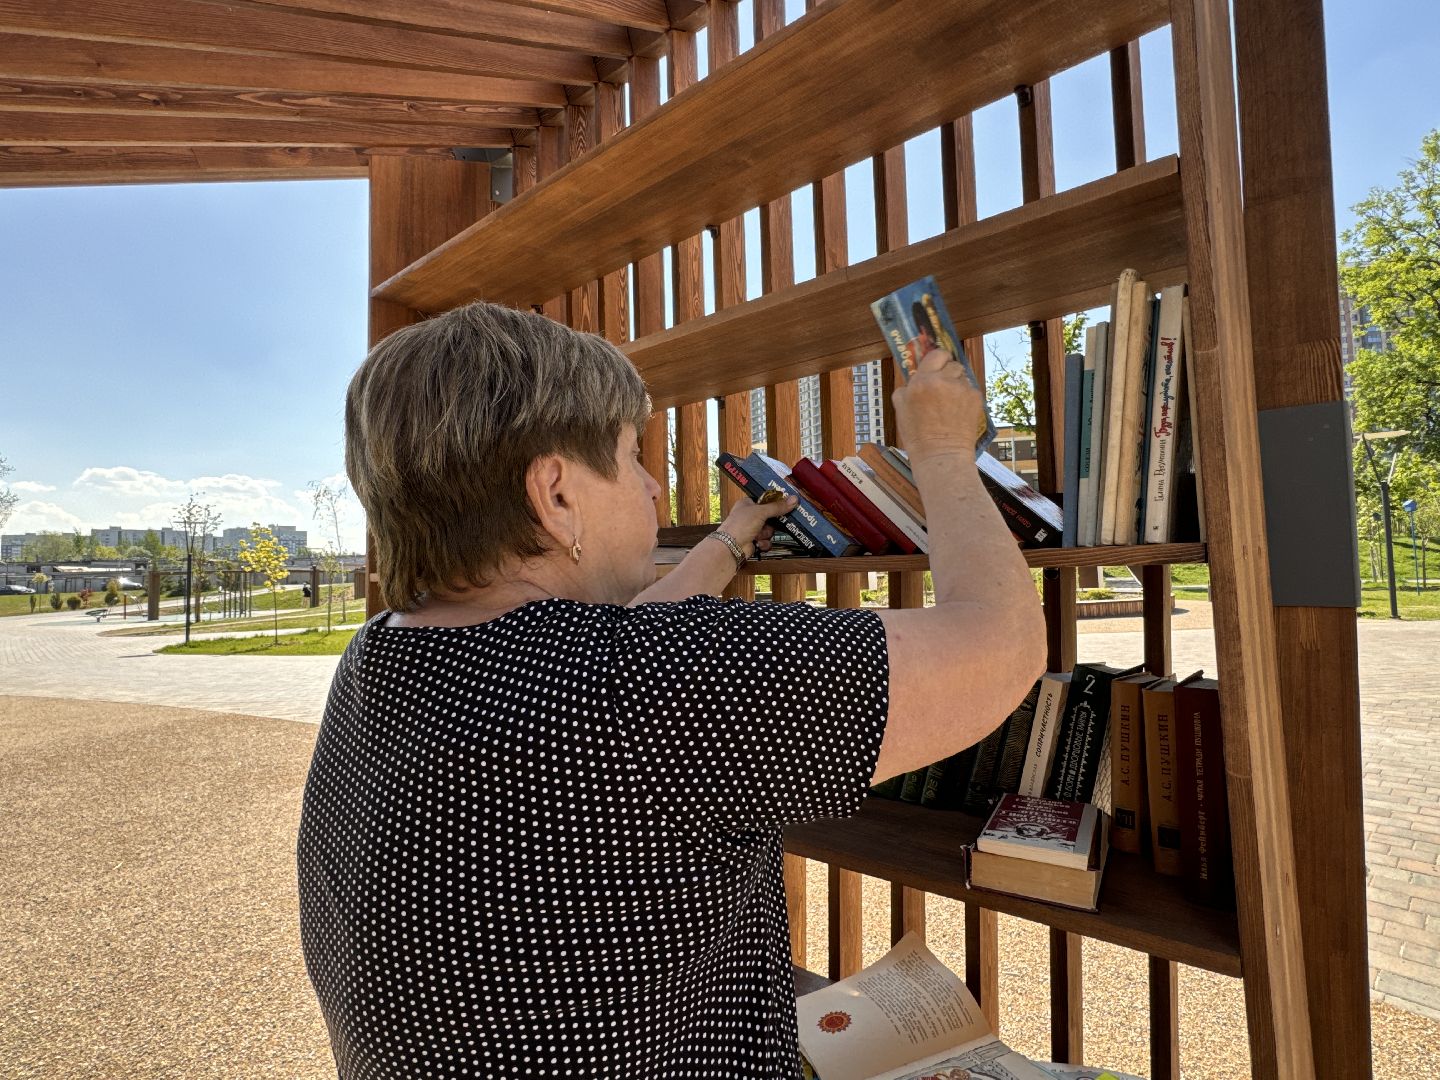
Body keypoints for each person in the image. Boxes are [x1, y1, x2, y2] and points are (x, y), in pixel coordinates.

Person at [297, 301, 1046, 1078]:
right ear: (555, 495)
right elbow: (1001, 647)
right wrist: (944, 451)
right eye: (630, 457)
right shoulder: (643, 686)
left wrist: (729, 540)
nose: (655, 486)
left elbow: (610, 657)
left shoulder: (381, 656)